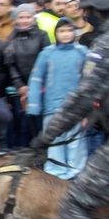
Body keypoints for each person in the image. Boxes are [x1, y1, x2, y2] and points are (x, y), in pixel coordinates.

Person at [30, 0, 109, 219]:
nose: (84, 16)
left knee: (72, 206)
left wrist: (46, 138)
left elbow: (82, 97)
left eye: (88, 9)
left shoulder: (104, 46)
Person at [27, 18, 89, 179]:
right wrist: (33, 105)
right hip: (52, 106)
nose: (66, 34)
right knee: (54, 141)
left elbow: (90, 80)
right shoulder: (47, 53)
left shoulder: (82, 52)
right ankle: (55, 175)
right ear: (55, 33)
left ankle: (76, 174)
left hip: (77, 108)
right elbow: (36, 78)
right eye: (62, 31)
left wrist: (89, 108)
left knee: (76, 142)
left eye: (69, 30)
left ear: (74, 32)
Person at [3, 4, 50, 148]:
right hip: (19, 88)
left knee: (39, 123)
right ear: (15, 19)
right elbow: (9, 63)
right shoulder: (12, 37)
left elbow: (46, 61)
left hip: (39, 86)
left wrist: (35, 85)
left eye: (28, 17)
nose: (24, 20)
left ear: (33, 18)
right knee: (22, 124)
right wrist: (20, 85)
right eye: (21, 17)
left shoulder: (42, 35)